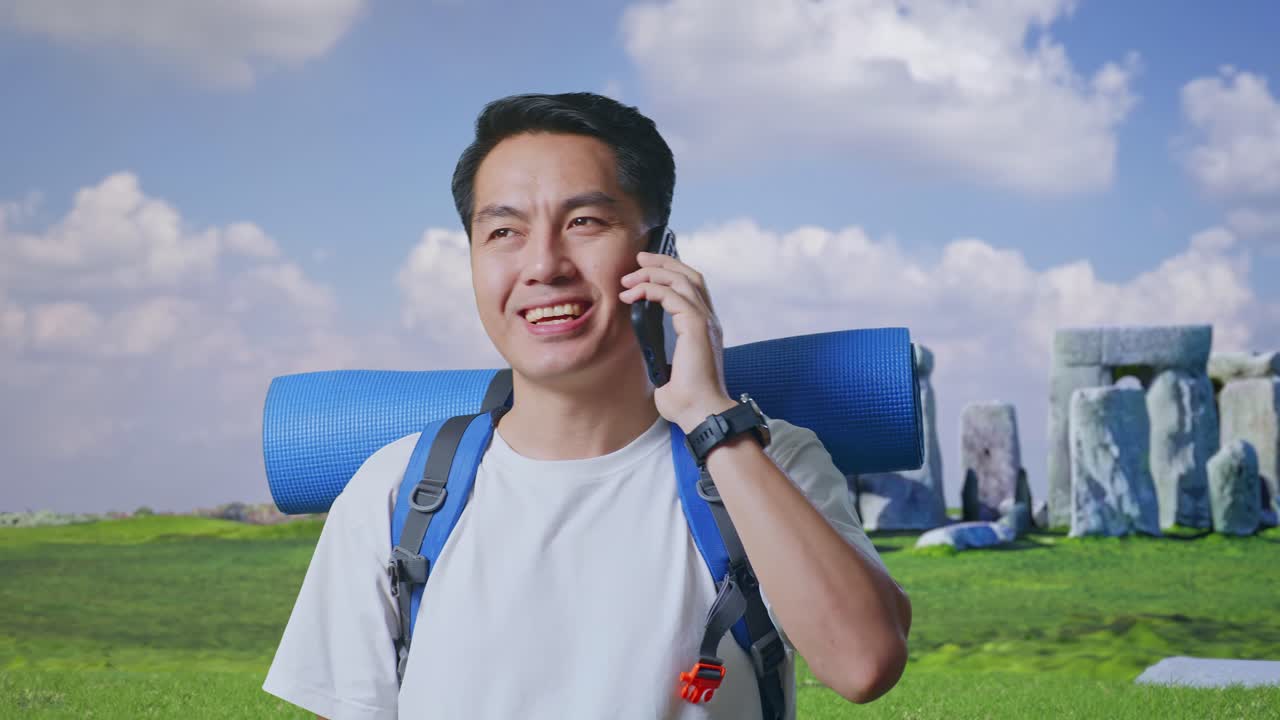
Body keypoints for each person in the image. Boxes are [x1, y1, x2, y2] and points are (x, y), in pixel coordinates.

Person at [263, 92, 911, 720]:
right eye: (504, 231)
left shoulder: (767, 461)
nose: (543, 264)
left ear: (663, 255)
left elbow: (863, 665)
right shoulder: (396, 492)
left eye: (584, 222)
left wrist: (710, 416)